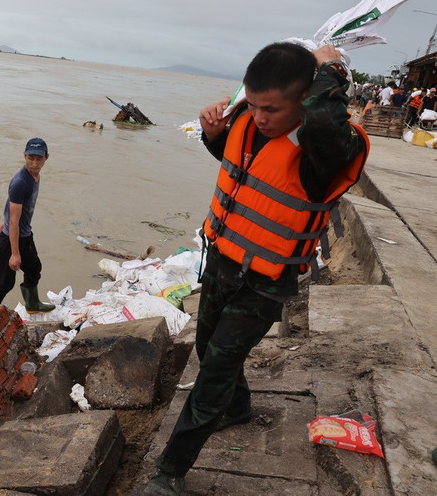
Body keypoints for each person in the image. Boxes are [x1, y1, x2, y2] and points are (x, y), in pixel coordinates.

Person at [144, 43, 369, 495]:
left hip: (266, 282)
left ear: (304, 98)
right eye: (255, 103)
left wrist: (330, 67)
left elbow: (326, 120)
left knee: (213, 373)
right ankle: (237, 407)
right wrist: (212, 133)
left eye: (273, 108)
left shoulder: (322, 150)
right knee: (210, 350)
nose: (261, 116)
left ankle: (168, 472)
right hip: (224, 261)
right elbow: (248, 177)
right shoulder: (248, 125)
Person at [0, 138, 55, 312]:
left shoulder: (34, 176)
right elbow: (14, 220)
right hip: (11, 239)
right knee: (3, 283)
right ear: (24, 155)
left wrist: (4, 221)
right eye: (30, 158)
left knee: (34, 269)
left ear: (46, 158)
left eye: (39, 159)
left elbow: (13, 208)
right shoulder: (21, 182)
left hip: (24, 234)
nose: (34, 164)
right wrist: (14, 253)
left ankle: (32, 304)